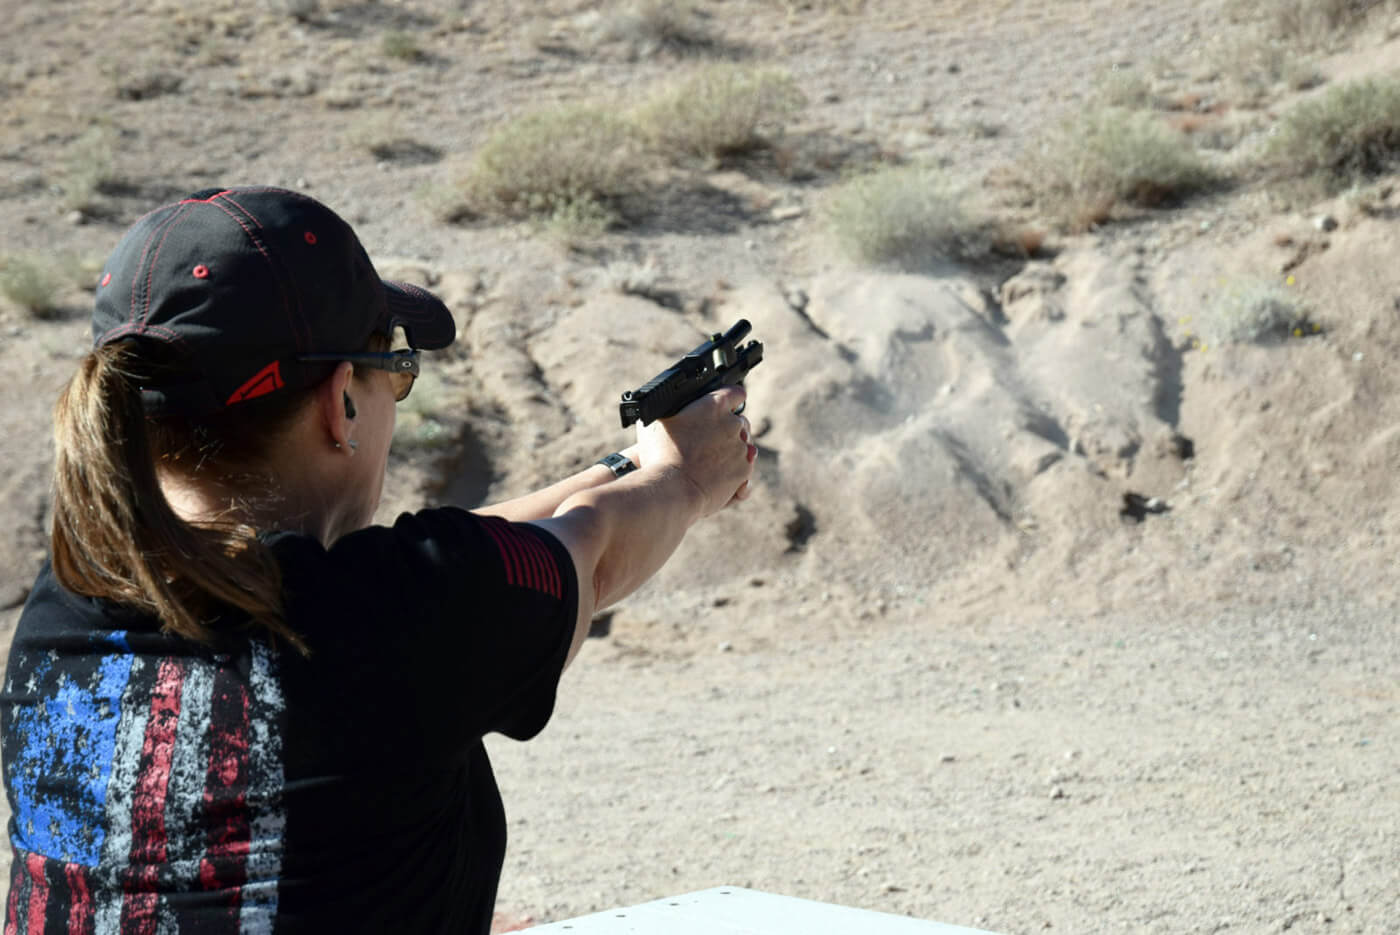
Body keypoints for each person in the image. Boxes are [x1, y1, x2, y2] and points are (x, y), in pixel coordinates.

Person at [0, 187, 756, 933]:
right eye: (392, 366)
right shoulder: (395, 617)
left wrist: (626, 466)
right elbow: (586, 556)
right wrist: (690, 476)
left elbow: (444, 561)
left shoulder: (60, 614)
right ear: (342, 403)